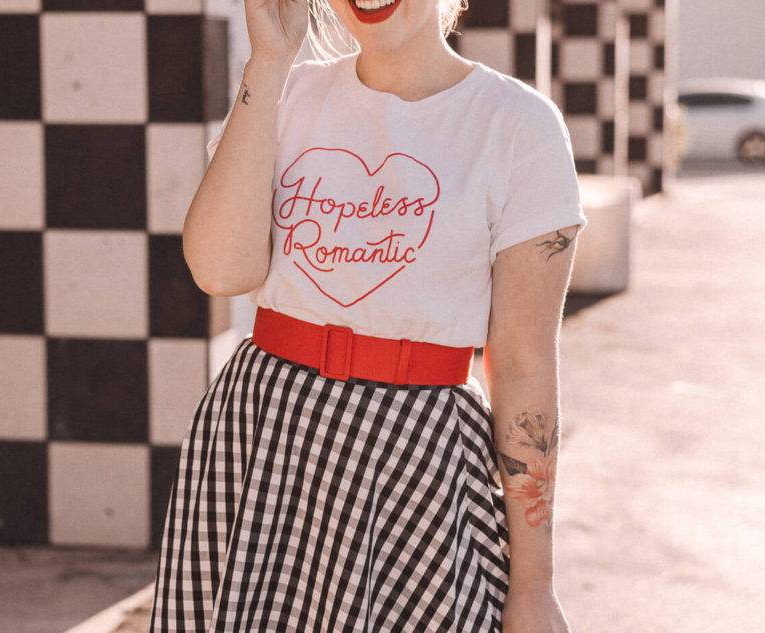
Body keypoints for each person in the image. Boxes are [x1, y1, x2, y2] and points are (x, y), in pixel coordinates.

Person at [149, 0, 587, 630]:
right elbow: (220, 271)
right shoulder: (284, 91)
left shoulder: (519, 126)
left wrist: (535, 585)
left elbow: (520, 363)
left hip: (418, 456)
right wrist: (269, 63)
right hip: (262, 432)